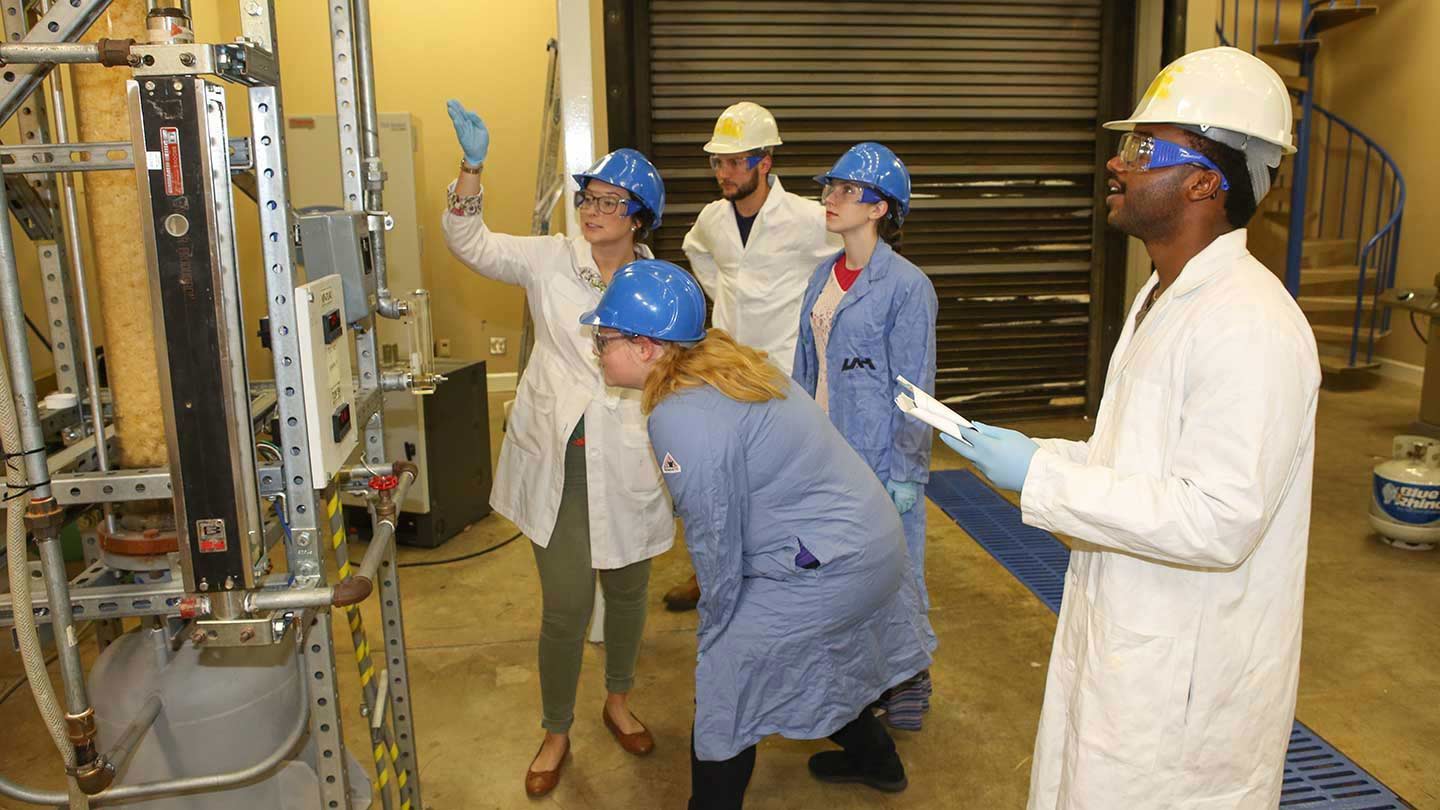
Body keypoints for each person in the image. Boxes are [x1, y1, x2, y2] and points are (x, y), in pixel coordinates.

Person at [941, 47, 1318, 809]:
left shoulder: (1250, 324)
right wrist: (1041, 454)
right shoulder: (1161, 296)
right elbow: (1138, 461)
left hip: (1183, 696)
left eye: (1144, 149)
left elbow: (1220, 518)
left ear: (1206, 183)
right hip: (1127, 644)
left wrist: (1042, 479)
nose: (1117, 163)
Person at [579, 260, 936, 809]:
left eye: (603, 339)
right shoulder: (721, 361)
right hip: (869, 543)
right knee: (819, 657)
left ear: (646, 346)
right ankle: (878, 762)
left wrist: (720, 624)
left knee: (729, 678)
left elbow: (714, 536)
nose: (598, 350)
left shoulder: (681, 413)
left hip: (835, 562)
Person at [443, 100, 673, 798]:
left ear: (638, 217)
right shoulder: (549, 258)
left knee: (631, 588)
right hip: (558, 453)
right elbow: (470, 242)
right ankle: (555, 727)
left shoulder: (661, 283)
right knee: (568, 600)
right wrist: (471, 170)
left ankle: (619, 699)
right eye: (587, 197)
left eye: (609, 201)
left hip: (631, 447)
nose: (593, 209)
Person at [662, 101, 841, 613]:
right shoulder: (713, 219)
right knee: (714, 480)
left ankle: (781, 577)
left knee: (778, 482)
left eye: (736, 162)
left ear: (766, 162)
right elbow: (695, 249)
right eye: (718, 162)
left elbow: (850, 256)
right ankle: (710, 572)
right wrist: (724, 295)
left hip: (781, 371)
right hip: (722, 369)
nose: (724, 172)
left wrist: (816, 314)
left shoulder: (808, 218)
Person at [792, 142, 939, 731]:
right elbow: (806, 367)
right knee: (838, 573)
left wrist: (907, 471)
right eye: (829, 188)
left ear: (880, 208)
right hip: (822, 450)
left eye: (847, 190)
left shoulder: (907, 287)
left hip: (878, 455)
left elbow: (915, 389)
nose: (830, 199)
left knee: (894, 572)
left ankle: (911, 682)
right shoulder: (821, 276)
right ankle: (862, 682)